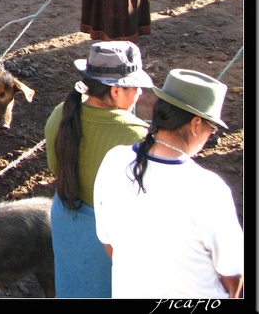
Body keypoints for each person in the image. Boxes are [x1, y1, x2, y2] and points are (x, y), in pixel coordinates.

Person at [94, 69, 244, 298]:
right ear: (196, 124)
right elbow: (234, 276)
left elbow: (109, 243)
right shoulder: (208, 189)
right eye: (210, 129)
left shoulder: (114, 160)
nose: (209, 136)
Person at [44, 41, 153, 297]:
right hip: (108, 239)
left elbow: (53, 166)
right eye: (135, 87)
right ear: (116, 91)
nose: (140, 94)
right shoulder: (137, 136)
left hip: (65, 220)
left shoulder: (60, 113)